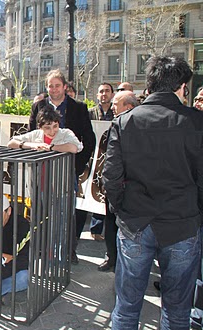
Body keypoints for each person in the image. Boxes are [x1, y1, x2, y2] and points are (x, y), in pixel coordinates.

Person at [103, 56, 203, 330]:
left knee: (127, 307)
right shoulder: (196, 121)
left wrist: (123, 210)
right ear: (182, 87)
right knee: (177, 310)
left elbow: (111, 178)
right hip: (182, 224)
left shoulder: (125, 122)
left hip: (137, 223)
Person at [29, 69, 96, 264]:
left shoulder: (79, 108)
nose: (53, 89)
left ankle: (66, 251)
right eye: (50, 86)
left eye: (57, 85)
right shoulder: (38, 106)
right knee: (41, 211)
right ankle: (41, 250)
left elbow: (89, 140)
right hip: (42, 169)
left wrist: (76, 165)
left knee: (66, 214)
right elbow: (30, 134)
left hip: (67, 171)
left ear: (65, 87)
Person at [97, 90, 138, 273]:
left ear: (128, 107)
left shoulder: (134, 126)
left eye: (116, 104)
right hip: (115, 189)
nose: (112, 107)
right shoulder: (116, 124)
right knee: (111, 225)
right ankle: (111, 258)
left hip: (129, 190)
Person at [86, 82, 115, 242]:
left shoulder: (116, 113)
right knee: (94, 192)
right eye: (101, 91)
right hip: (93, 158)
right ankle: (95, 229)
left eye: (107, 91)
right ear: (97, 95)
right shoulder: (90, 113)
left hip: (110, 158)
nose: (104, 94)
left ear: (112, 94)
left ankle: (102, 229)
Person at [8, 106, 82, 154]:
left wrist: (50, 147)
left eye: (55, 126)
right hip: (38, 176)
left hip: (58, 177)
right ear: (40, 127)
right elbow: (11, 143)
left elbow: (74, 148)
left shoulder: (66, 133)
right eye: (47, 128)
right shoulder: (35, 134)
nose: (52, 131)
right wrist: (32, 145)